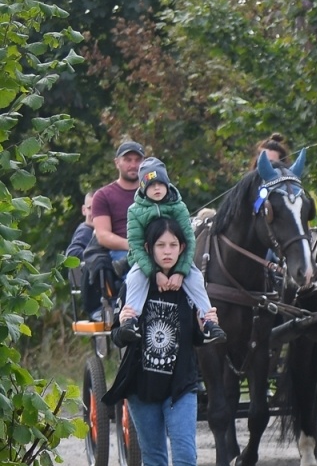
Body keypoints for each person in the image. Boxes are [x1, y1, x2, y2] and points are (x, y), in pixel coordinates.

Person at [104, 217, 219, 466]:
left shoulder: (190, 285)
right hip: (142, 386)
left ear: (182, 248)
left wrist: (206, 324)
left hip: (180, 384)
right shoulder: (136, 283)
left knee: (185, 455)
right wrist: (123, 326)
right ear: (149, 249)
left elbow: (198, 337)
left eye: (173, 245)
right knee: (155, 462)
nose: (167, 252)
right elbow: (117, 334)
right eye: (160, 245)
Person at [122, 158, 225, 343]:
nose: (157, 188)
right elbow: (135, 244)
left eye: (161, 183)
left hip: (179, 258)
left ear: (167, 185)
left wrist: (180, 272)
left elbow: (189, 240)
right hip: (146, 259)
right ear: (143, 187)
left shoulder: (179, 207)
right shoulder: (134, 211)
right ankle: (131, 319)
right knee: (134, 278)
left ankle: (208, 321)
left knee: (196, 278)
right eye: (151, 185)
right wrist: (154, 273)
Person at [90, 138, 145, 259]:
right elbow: (103, 235)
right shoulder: (103, 196)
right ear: (117, 163)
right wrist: (133, 246)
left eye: (138, 160)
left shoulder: (155, 192)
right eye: (128, 160)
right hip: (123, 252)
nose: (133, 165)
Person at [67, 193, 116, 321]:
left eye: (99, 207)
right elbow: (72, 254)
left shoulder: (107, 231)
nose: (95, 212)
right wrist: (95, 257)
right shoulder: (85, 231)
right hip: (98, 295)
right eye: (90, 208)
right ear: (84, 210)